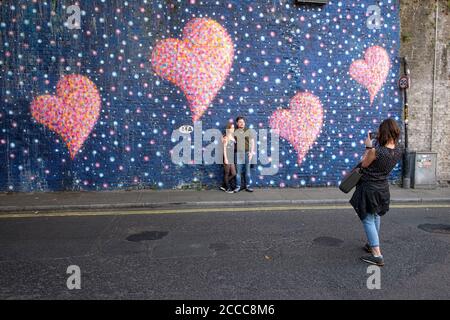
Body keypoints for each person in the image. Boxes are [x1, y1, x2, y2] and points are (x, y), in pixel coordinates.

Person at [350, 118, 404, 267]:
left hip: (369, 188)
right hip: (382, 188)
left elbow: (363, 164)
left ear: (384, 132)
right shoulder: (398, 150)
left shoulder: (376, 151)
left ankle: (377, 254)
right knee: (375, 215)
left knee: (367, 218)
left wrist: (368, 147)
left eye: (380, 131)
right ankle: (370, 244)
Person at [233, 116, 255, 193]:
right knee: (238, 172)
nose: (242, 123)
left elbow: (252, 142)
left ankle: (248, 186)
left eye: (243, 122)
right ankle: (238, 186)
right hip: (238, 153)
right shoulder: (234, 131)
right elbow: (228, 137)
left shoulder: (248, 131)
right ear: (237, 123)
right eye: (240, 122)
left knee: (247, 171)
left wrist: (251, 153)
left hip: (246, 153)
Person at [220, 122, 236, 193]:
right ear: (228, 129)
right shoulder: (226, 137)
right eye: (231, 128)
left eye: (233, 128)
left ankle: (223, 185)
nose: (233, 129)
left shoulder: (232, 137)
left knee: (233, 173)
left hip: (231, 158)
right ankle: (227, 188)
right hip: (227, 157)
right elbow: (224, 149)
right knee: (226, 173)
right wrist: (225, 158)